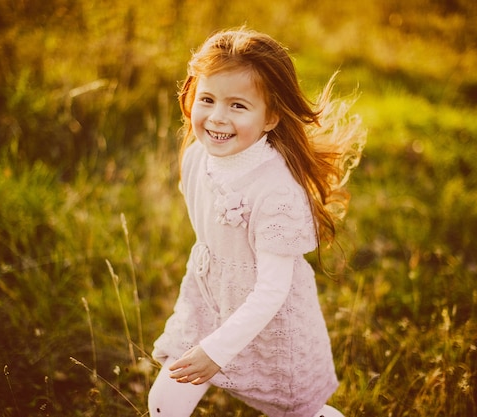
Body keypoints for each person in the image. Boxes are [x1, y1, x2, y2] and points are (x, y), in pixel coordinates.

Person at [149, 27, 365, 417]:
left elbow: (271, 291)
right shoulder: (198, 155)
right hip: (208, 301)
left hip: (268, 324)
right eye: (208, 99)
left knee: (297, 411)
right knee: (164, 404)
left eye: (238, 106)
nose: (216, 117)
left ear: (271, 117)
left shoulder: (276, 192)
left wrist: (216, 351)